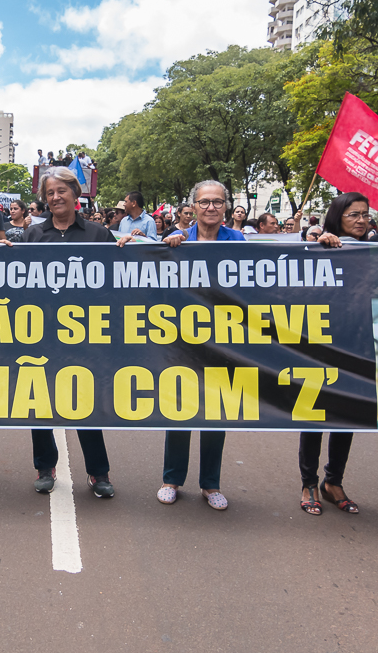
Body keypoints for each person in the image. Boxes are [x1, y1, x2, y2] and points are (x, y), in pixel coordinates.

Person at [22, 166, 117, 498]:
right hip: (41, 332)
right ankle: (44, 467)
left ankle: (98, 472)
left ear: (76, 194)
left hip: (85, 335)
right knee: (39, 401)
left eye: (61, 190)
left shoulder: (99, 234)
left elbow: (118, 278)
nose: (55, 197)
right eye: (49, 193)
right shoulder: (33, 235)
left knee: (85, 400)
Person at [154, 180, 243, 511]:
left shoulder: (239, 241)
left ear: (225, 206)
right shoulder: (177, 240)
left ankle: (211, 484)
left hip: (223, 338)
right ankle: (171, 479)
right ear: (193, 207)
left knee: (215, 413)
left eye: (217, 202)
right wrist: (167, 249)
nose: (211, 208)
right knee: (180, 409)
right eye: (204, 202)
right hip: (183, 339)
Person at [299, 192, 372, 517]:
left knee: (347, 416)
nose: (361, 220)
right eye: (353, 214)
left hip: (357, 348)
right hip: (320, 345)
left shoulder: (376, 249)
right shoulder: (321, 247)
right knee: (314, 415)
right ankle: (309, 484)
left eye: (365, 214)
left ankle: (334, 482)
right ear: (337, 217)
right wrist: (319, 244)